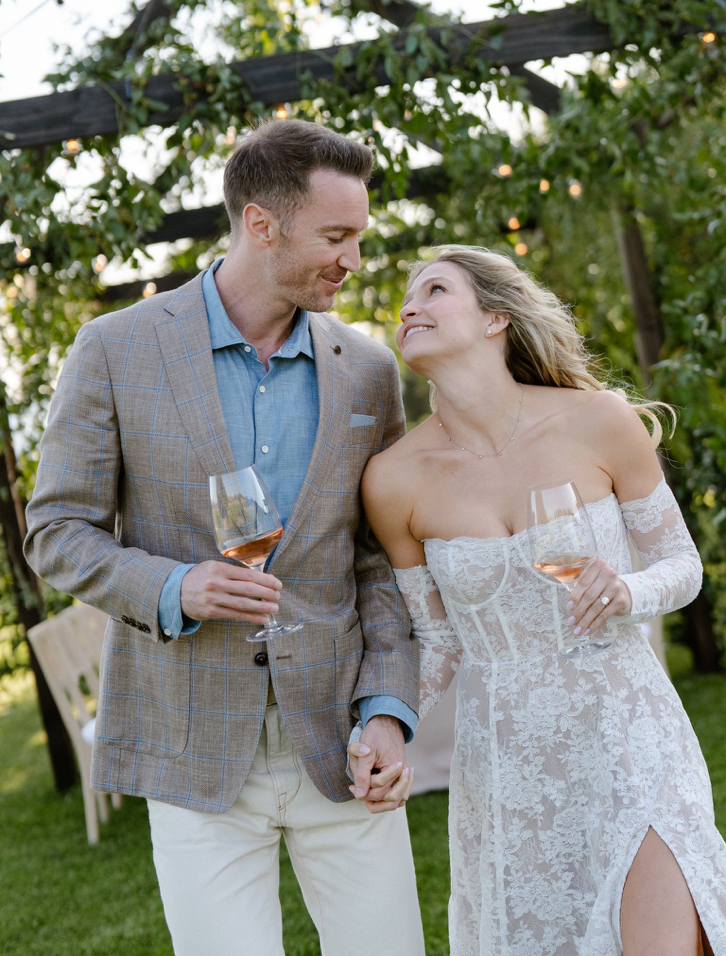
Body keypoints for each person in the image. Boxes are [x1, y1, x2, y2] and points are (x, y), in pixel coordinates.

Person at [23, 118, 423, 956]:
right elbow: (57, 531)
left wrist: (388, 709)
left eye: (358, 236)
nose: (354, 259)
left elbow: (380, 561)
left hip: (342, 745)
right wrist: (175, 587)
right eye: (336, 237)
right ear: (261, 224)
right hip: (190, 747)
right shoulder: (114, 349)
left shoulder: (368, 370)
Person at [350, 246, 726, 955]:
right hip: (509, 765)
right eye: (406, 299)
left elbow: (682, 565)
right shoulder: (394, 480)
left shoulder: (598, 419)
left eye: (435, 290)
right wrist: (384, 725)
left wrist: (629, 589)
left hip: (630, 735)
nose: (410, 307)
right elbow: (440, 641)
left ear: (495, 317)